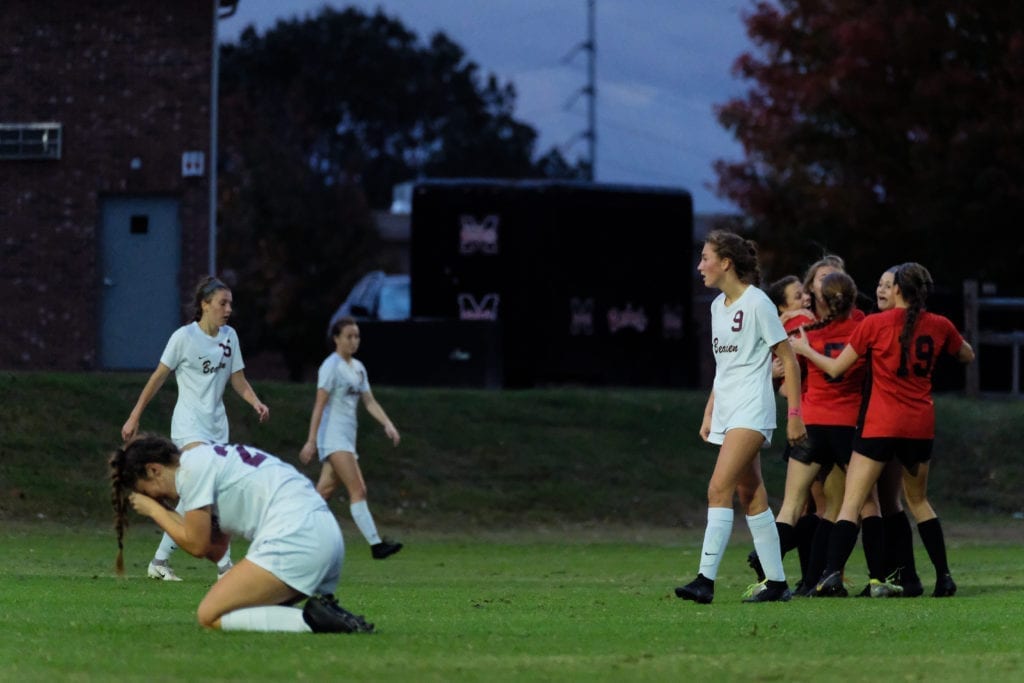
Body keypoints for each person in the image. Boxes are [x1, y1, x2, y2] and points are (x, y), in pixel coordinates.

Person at [791, 262, 975, 598]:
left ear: (900, 290)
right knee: (917, 501)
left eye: (887, 285)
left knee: (852, 501)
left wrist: (804, 350)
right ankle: (944, 577)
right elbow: (966, 355)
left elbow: (835, 367)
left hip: (880, 424)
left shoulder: (874, 324)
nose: (881, 290)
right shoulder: (939, 324)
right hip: (919, 424)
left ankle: (831, 574)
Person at [109, 435, 373, 633]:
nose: (156, 497)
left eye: (148, 490)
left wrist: (155, 511)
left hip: (296, 536)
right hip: (324, 533)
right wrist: (166, 512)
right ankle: (326, 615)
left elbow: (197, 546)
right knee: (243, 612)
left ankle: (316, 620)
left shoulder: (191, 471)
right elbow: (215, 550)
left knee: (209, 614)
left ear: (154, 469)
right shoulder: (204, 460)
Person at [675, 229, 806, 604]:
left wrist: (794, 415)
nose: (700, 266)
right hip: (729, 410)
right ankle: (777, 583)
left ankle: (705, 580)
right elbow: (725, 369)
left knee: (719, 488)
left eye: (705, 258)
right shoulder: (717, 308)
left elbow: (789, 360)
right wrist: (709, 409)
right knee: (751, 495)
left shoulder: (758, 303)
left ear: (726, 263)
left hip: (752, 409)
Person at [120, 276, 270, 581]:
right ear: (204, 304)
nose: (228, 309)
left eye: (230, 303)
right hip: (189, 427)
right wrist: (135, 415)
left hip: (217, 429)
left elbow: (237, 380)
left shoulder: (230, 337)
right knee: (203, 490)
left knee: (200, 495)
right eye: (222, 303)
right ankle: (224, 568)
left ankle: (160, 561)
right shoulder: (183, 338)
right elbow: (158, 378)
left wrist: (255, 402)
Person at [299, 316, 402, 560]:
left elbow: (369, 401)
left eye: (357, 337)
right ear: (336, 339)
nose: (354, 341)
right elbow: (319, 405)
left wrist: (387, 423)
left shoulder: (358, 368)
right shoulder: (330, 366)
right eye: (349, 336)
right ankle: (376, 544)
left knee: (321, 494)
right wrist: (311, 440)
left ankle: (294, 533)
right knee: (359, 489)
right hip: (333, 439)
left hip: (347, 439)